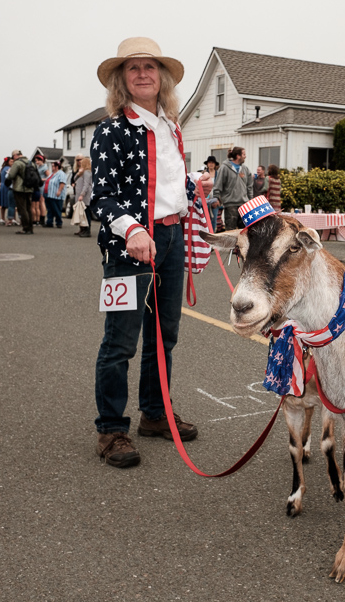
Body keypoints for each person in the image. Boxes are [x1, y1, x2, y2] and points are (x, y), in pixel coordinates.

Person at [90, 36, 211, 468]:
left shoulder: (171, 127)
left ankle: (155, 414)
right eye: (133, 67)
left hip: (172, 240)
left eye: (150, 66)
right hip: (131, 246)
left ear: (161, 77)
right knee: (120, 340)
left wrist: (193, 184)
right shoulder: (111, 131)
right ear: (122, 80)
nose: (143, 73)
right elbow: (100, 197)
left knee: (165, 334)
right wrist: (132, 229)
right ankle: (111, 428)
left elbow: (163, 186)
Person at [214, 146, 253, 230]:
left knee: (244, 231)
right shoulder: (224, 168)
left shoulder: (245, 169)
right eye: (244, 154)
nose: (245, 156)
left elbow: (249, 186)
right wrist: (216, 198)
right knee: (230, 231)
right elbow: (218, 184)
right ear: (238, 156)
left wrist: (250, 201)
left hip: (244, 205)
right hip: (230, 205)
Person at [8, 150, 34, 234]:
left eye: (13, 157)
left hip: (19, 188)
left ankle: (25, 227)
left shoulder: (17, 163)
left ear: (15, 155)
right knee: (28, 208)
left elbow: (11, 175)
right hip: (29, 188)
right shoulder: (31, 163)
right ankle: (30, 227)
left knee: (22, 208)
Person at [73, 157, 93, 237]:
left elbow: (86, 185)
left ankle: (87, 230)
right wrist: (78, 173)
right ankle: (82, 229)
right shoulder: (82, 172)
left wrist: (82, 194)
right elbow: (74, 179)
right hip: (80, 195)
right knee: (81, 213)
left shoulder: (87, 172)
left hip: (85, 196)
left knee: (86, 213)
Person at [43, 161, 67, 228]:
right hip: (49, 194)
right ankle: (49, 222)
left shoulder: (61, 174)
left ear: (57, 167)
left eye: (53, 166)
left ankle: (59, 222)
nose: (52, 167)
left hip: (56, 195)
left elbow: (62, 183)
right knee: (50, 209)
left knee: (56, 209)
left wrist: (59, 191)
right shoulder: (52, 174)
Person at [30, 155, 48, 227]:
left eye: (38, 160)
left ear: (42, 160)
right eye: (36, 161)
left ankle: (42, 218)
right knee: (38, 204)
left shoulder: (44, 167)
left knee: (41, 202)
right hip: (37, 185)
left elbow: (49, 177)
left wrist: (41, 179)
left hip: (41, 186)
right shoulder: (38, 167)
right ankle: (38, 218)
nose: (37, 162)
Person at [0, 157, 13, 225]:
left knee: (3, 203)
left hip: (2, 185)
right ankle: (12, 218)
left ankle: (2, 218)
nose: (12, 163)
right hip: (7, 186)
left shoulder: (2, 168)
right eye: (11, 161)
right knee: (10, 203)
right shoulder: (8, 169)